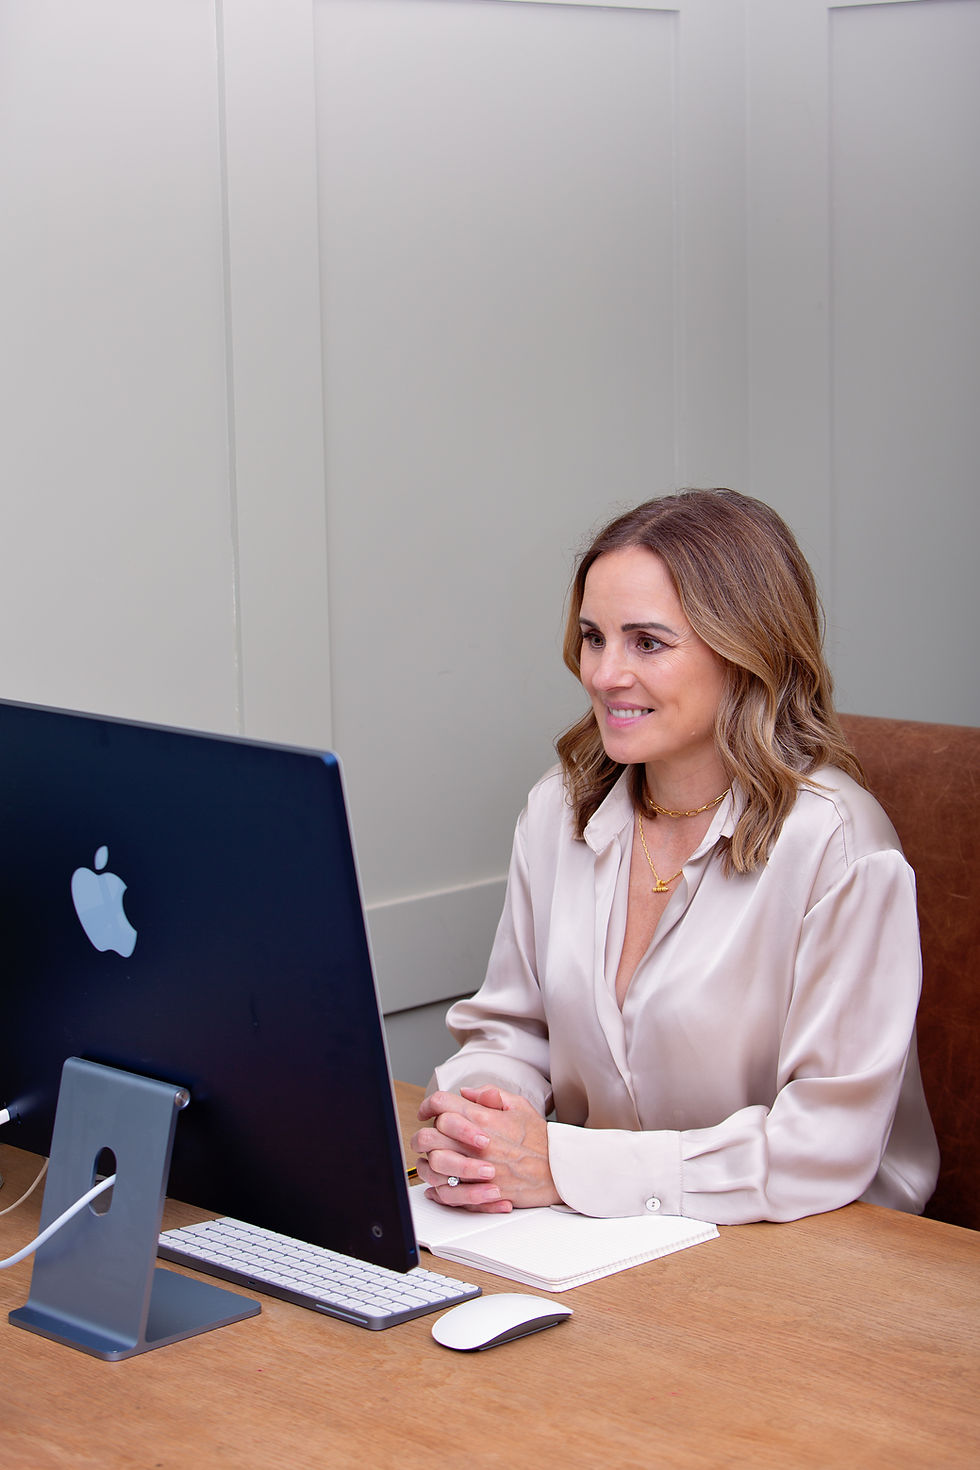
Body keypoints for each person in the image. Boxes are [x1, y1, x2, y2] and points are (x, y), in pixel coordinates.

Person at [411, 488, 940, 1225]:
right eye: (595, 637)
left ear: (744, 651)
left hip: (814, 1251)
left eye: (647, 642)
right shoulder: (557, 811)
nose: (603, 674)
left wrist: (563, 1166)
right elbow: (512, 1031)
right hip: (601, 1238)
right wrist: (477, 1120)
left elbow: (825, 1144)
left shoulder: (839, 846)